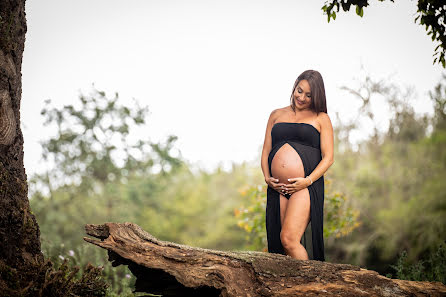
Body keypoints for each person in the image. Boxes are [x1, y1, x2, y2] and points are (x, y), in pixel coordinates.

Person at [261, 70, 334, 261]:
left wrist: (307, 181)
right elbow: (266, 151)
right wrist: (267, 178)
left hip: (304, 186)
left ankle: (313, 285)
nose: (301, 97)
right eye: (299, 91)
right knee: (281, 246)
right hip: (277, 188)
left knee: (289, 239)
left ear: (316, 96)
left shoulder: (321, 118)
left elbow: (329, 158)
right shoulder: (276, 114)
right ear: (294, 87)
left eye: (308, 95)